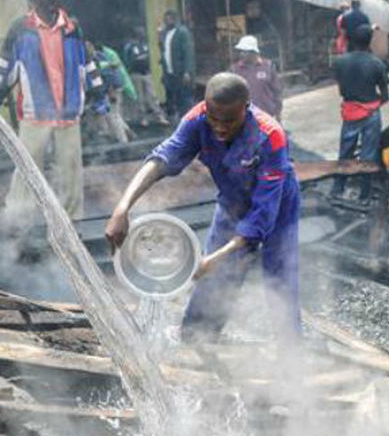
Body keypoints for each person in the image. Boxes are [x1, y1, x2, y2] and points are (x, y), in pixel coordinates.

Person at [105, 73, 300, 340]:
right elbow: (162, 159)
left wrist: (221, 256)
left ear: (246, 107)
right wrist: (122, 208)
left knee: (279, 275)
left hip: (278, 204)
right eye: (213, 118)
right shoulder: (196, 120)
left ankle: (290, 347)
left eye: (229, 121)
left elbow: (263, 212)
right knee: (212, 279)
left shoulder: (270, 135)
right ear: (205, 107)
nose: (219, 128)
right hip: (232, 200)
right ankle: (197, 337)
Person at [0, 0, 105, 220]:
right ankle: (18, 218)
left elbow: (88, 63)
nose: (52, 2)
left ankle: (72, 220)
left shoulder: (73, 29)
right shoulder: (21, 29)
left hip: (68, 112)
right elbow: (4, 66)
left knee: (71, 169)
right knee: (27, 167)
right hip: (35, 113)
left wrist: (99, 94)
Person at [330, 25, 389, 201]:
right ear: (369, 41)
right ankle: (364, 195)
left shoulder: (339, 62)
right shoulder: (377, 63)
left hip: (350, 112)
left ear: (351, 40)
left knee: (345, 152)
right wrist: (373, 104)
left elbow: (341, 90)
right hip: (371, 113)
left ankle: (337, 190)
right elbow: (385, 95)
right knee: (368, 155)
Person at [88, 40, 135, 144]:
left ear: (92, 47)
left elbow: (109, 74)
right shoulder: (96, 58)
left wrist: (111, 91)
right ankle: (127, 132)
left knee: (112, 116)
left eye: (88, 47)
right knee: (113, 115)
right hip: (107, 90)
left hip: (111, 90)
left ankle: (123, 142)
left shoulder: (98, 58)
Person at [122, 27, 169, 126]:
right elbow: (127, 60)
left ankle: (159, 116)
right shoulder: (129, 46)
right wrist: (130, 70)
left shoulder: (145, 45)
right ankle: (143, 118)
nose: (142, 35)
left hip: (146, 73)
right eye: (140, 33)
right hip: (136, 74)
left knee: (152, 95)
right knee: (140, 97)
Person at [229, 36, 281, 120]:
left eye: (245, 51)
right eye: (240, 51)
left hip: (266, 117)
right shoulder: (235, 70)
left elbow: (277, 92)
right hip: (244, 118)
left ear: (254, 52)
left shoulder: (268, 66)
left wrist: (278, 115)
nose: (241, 54)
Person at [159, 9, 195, 119]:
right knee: (173, 97)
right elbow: (163, 50)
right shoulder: (165, 33)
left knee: (184, 98)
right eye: (166, 18)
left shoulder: (182, 32)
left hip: (181, 72)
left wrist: (187, 71)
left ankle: (188, 120)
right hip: (170, 72)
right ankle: (178, 119)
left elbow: (188, 53)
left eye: (170, 18)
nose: (168, 21)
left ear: (175, 19)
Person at [244, 0, 281, 66]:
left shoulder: (266, 22)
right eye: (249, 8)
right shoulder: (245, 22)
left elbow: (272, 35)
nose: (252, 11)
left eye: (254, 8)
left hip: (265, 53)